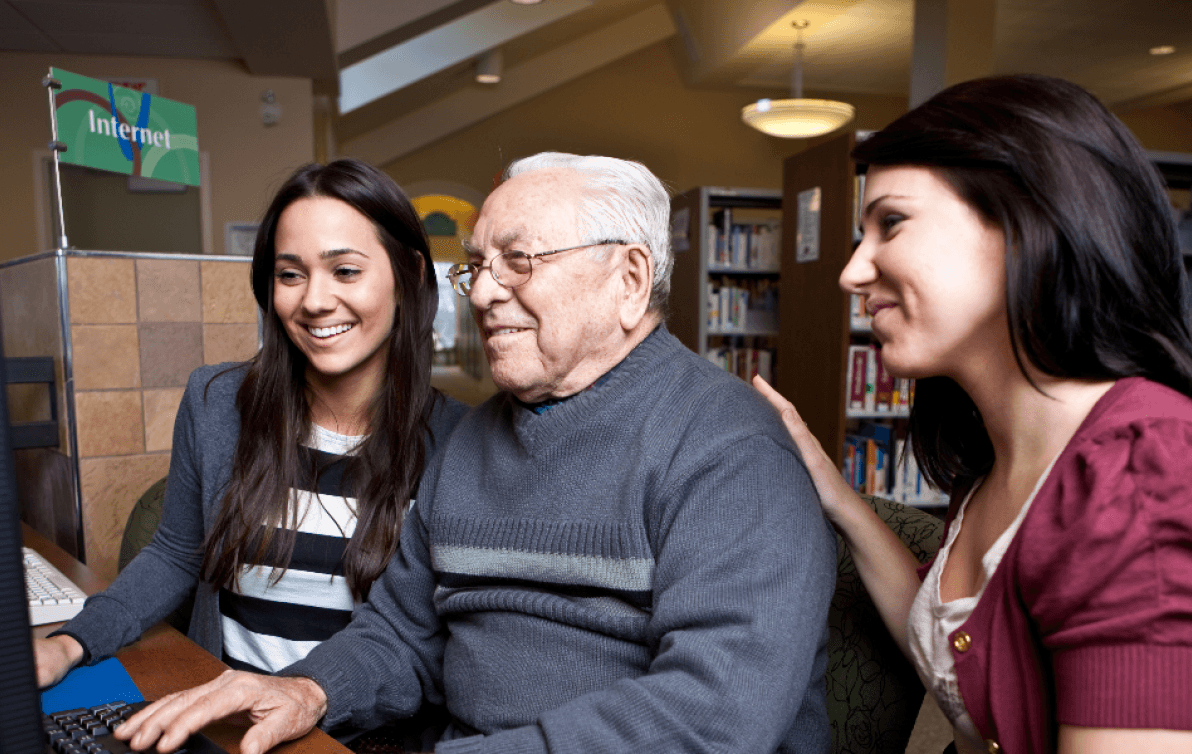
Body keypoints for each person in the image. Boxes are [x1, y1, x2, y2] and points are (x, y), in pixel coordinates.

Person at [112, 152, 837, 754]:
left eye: (518, 261)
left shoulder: (729, 451)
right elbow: (401, 630)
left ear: (631, 279)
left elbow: (714, 716)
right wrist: (309, 689)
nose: (485, 293)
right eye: (478, 266)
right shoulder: (477, 439)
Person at [754, 74, 1192, 754]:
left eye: (890, 224)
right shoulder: (998, 458)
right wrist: (833, 491)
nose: (852, 272)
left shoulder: (1139, 469)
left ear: (1025, 223)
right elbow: (956, 651)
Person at [35, 159, 467, 700]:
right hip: (224, 720)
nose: (314, 300)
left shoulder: (459, 443)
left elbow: (427, 643)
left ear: (411, 276)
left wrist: (304, 700)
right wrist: (70, 642)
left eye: (346, 271)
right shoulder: (216, 403)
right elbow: (175, 554)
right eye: (291, 274)